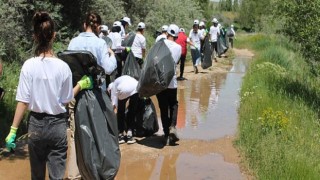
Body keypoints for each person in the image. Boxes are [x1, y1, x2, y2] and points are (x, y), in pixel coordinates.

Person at [4, 11, 93, 180]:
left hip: (36, 125)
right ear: (54, 35)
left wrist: (13, 130)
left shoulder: (28, 65)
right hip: (57, 125)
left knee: (36, 176)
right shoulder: (63, 67)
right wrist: (80, 85)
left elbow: (23, 100)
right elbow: (67, 100)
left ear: (35, 37)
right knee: (57, 176)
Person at [68, 12, 117, 89]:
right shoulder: (101, 43)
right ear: (99, 27)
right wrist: (112, 55)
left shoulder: (73, 42)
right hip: (96, 91)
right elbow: (108, 69)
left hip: (77, 89)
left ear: (84, 25)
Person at [156, 24, 181, 146]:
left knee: (163, 107)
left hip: (160, 82)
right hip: (172, 82)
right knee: (174, 104)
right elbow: (176, 62)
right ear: (176, 36)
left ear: (167, 34)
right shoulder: (178, 47)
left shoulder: (160, 44)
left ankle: (166, 134)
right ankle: (172, 126)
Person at [108, 75, 139, 144]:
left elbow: (114, 107)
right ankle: (129, 134)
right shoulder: (119, 80)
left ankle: (120, 135)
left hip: (124, 90)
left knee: (120, 111)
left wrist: (114, 120)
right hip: (136, 87)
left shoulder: (113, 88)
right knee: (132, 111)